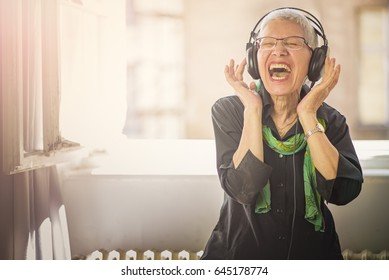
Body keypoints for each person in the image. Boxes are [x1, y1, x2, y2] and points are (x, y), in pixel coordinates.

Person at [201, 7, 363, 260]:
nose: (279, 50)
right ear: (255, 58)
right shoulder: (230, 111)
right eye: (267, 43)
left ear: (315, 60)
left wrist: (308, 114)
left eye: (293, 43)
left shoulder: (330, 121)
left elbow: (343, 192)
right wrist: (253, 110)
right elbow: (243, 189)